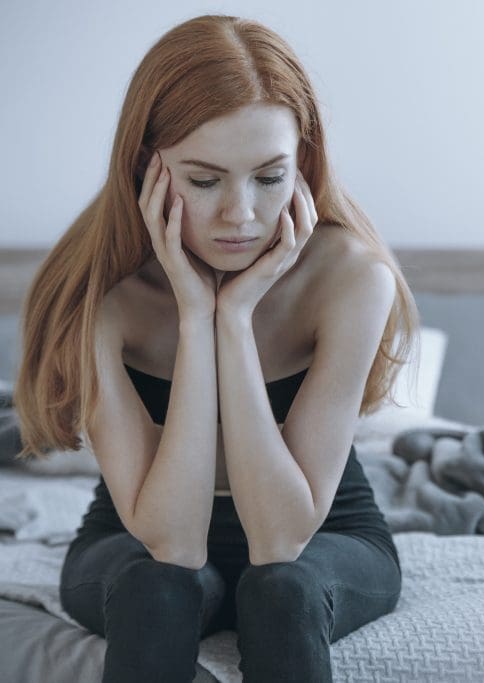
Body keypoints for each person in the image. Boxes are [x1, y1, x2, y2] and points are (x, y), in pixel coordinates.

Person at [13, 14, 419, 683]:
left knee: (282, 589)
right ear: (149, 167)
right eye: (204, 181)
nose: (241, 214)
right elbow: (171, 542)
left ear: (305, 164)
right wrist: (195, 314)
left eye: (269, 177)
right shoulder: (100, 298)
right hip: (132, 534)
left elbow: (281, 540)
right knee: (158, 588)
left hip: (328, 532)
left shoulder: (351, 279)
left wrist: (234, 320)